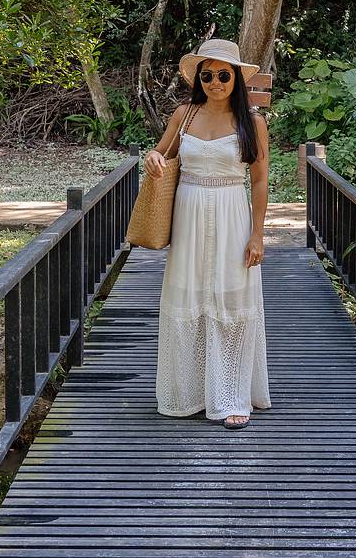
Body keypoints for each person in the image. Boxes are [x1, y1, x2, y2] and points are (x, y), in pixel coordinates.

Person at [143, 38, 271, 429]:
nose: (215, 82)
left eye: (223, 74)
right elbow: (162, 153)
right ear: (199, 78)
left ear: (236, 78)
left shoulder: (254, 122)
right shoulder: (184, 114)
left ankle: (231, 394)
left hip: (233, 211)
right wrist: (153, 157)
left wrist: (257, 234)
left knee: (231, 298)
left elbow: (261, 181)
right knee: (189, 293)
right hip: (189, 212)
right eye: (208, 74)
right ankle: (189, 392)